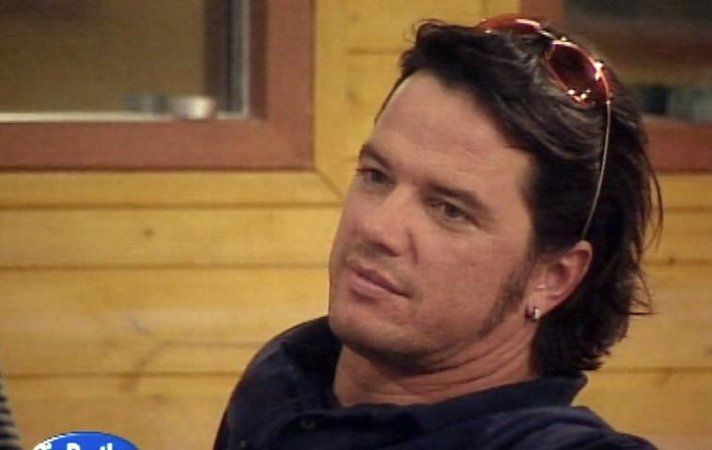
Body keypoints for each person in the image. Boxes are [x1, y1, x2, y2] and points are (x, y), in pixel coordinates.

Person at [214, 14, 661, 450]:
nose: (377, 227)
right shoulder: (284, 375)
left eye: (449, 210)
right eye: (376, 176)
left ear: (554, 276)